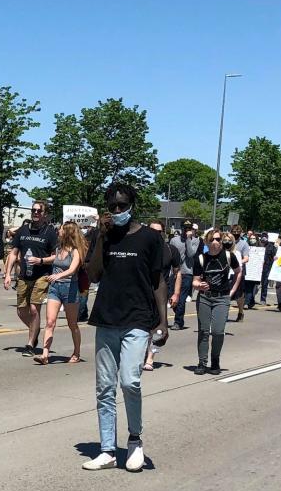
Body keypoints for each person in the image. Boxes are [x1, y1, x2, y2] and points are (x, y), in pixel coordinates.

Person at [81, 183, 166, 473]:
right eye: (112, 206)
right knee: (104, 387)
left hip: (138, 319)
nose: (117, 211)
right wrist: (103, 238)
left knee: (130, 381)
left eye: (123, 205)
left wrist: (163, 321)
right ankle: (107, 449)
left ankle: (135, 440)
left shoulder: (150, 238)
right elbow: (92, 275)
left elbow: (158, 280)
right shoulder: (103, 236)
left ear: (132, 205)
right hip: (106, 317)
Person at [4, 201, 58, 356]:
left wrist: (40, 260)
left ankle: (30, 344)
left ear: (45, 214)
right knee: (21, 311)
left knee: (34, 308)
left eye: (39, 211)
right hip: (23, 275)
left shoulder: (50, 232)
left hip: (42, 275)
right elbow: (14, 253)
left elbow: (55, 256)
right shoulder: (23, 230)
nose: (35, 213)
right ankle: (35, 329)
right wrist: (8, 274)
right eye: (33, 210)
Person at [33, 221, 87, 365]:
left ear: (68, 232)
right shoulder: (59, 248)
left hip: (70, 288)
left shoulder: (76, 250)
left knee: (72, 324)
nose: (58, 231)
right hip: (55, 289)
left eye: (61, 229)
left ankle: (76, 352)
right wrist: (41, 260)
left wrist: (58, 275)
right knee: (50, 322)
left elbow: (72, 269)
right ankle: (45, 355)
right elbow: (54, 259)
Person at [192, 229, 242, 375]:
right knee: (203, 331)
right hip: (205, 297)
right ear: (207, 242)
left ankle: (215, 360)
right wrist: (198, 285)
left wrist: (232, 291)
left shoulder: (228, 256)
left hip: (222, 297)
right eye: (212, 240)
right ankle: (202, 362)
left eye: (218, 239)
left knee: (218, 331)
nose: (215, 242)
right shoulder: (201, 258)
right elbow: (195, 281)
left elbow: (238, 272)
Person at [144, 220, 181, 371]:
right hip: (142, 293)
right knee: (141, 327)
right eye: (152, 231)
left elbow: (178, 273)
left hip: (161, 294)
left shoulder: (171, 250)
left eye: (159, 232)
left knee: (158, 328)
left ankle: (150, 358)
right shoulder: (142, 249)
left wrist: (176, 293)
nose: (156, 234)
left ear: (163, 233)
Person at [169, 221, 200, 330]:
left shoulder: (195, 241)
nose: (187, 230)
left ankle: (178, 322)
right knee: (171, 297)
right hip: (175, 272)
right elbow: (170, 255)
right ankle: (178, 314)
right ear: (181, 228)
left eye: (189, 228)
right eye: (185, 228)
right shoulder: (174, 240)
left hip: (187, 273)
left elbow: (191, 254)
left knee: (181, 298)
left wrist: (188, 239)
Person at [230, 225, 251, 320]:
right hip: (227, 271)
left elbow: (246, 258)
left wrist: (237, 262)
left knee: (239, 295)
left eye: (237, 234)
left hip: (239, 271)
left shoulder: (244, 244)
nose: (235, 235)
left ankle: (240, 311)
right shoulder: (227, 242)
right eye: (234, 233)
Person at [260, 233, 276, 304]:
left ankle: (263, 299)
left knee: (264, 283)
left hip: (267, 267)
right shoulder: (258, 245)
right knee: (254, 284)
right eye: (262, 237)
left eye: (265, 237)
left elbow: (275, 257)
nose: (264, 238)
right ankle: (250, 298)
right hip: (257, 267)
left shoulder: (271, 247)